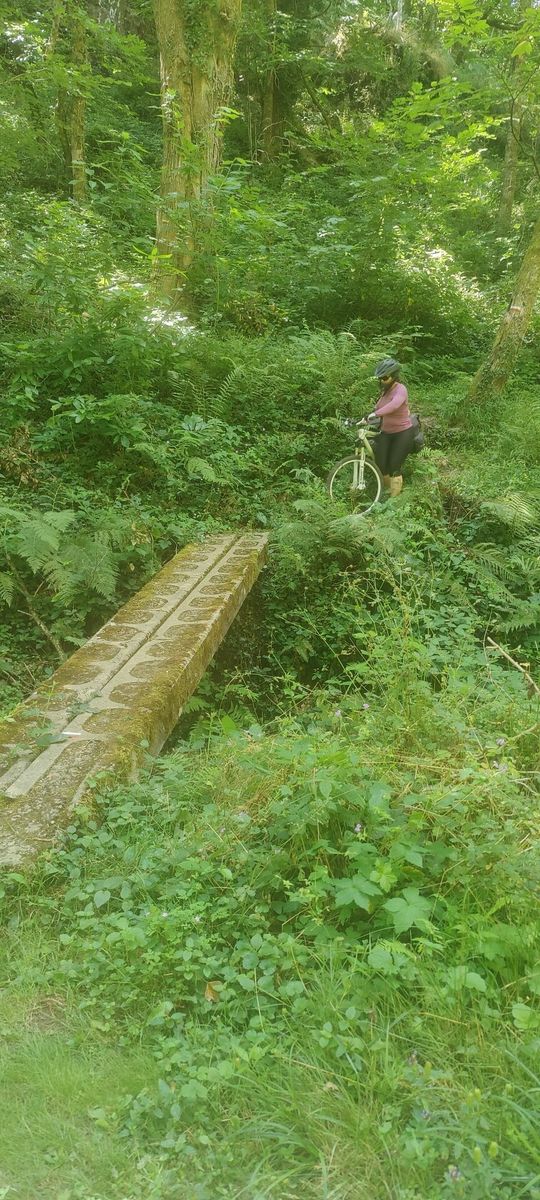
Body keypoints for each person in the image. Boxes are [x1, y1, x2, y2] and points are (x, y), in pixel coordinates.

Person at [368, 357, 414, 497]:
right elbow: (378, 409)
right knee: (381, 466)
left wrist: (375, 414)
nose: (382, 381)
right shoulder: (384, 392)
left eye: (385, 378)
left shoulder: (401, 389)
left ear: (394, 376)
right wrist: (365, 418)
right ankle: (387, 494)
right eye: (380, 378)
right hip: (386, 432)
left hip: (402, 433)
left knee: (394, 467)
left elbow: (394, 405)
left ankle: (393, 502)